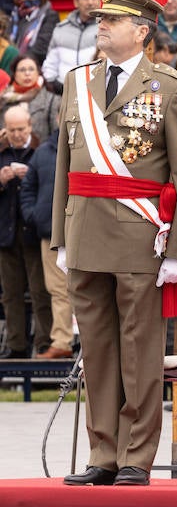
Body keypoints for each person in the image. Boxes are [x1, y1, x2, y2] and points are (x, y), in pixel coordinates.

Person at [54, 0, 177, 487]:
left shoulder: (172, 88)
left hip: (141, 237)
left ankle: (136, 454)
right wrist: (61, 236)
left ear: (142, 31)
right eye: (100, 19)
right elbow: (62, 168)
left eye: (113, 21)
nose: (101, 25)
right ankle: (103, 452)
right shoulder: (77, 83)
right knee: (95, 348)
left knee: (139, 350)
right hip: (86, 230)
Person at [0, 103, 50, 357]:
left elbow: (49, 186)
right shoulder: (2, 152)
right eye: (11, 130)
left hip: (33, 232)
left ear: (30, 126)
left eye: (20, 129)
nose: (16, 134)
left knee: (41, 292)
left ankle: (43, 344)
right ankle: (17, 346)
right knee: (11, 295)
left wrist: (30, 176)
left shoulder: (40, 152)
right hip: (6, 234)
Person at [19, 124, 71, 359]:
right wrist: (35, 216)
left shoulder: (90, 146)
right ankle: (61, 341)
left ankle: (77, 342)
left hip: (83, 233)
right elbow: (28, 187)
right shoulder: (43, 152)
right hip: (50, 234)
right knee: (57, 289)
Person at [42, 0, 101, 90]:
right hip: (62, 92)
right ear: (75, 1)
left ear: (100, 1)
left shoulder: (106, 28)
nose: (90, 2)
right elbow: (49, 66)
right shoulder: (61, 29)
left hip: (95, 93)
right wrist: (55, 86)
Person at [3, 55, 60, 140]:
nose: (27, 73)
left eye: (31, 69)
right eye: (22, 70)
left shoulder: (52, 101)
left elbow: (57, 136)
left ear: (38, 73)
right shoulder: (4, 100)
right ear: (14, 74)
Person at [9, 0, 60, 64]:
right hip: (14, 63)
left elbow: (42, 47)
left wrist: (20, 61)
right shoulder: (15, 15)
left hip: (37, 64)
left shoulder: (50, 15)